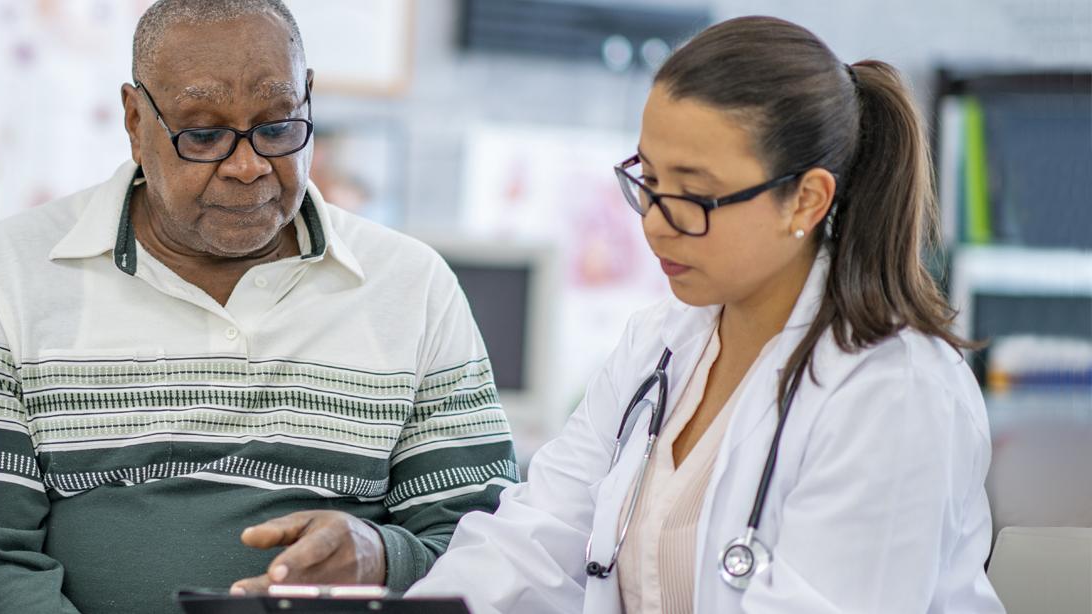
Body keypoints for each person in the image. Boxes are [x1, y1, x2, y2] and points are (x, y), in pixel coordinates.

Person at [0, 1, 518, 612]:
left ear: (309, 101)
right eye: (203, 135)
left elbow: (488, 546)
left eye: (277, 127)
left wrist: (383, 556)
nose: (247, 165)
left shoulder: (413, 286)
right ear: (135, 121)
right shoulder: (4, 274)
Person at [405, 16, 1004, 613]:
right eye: (649, 179)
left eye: (693, 195)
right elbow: (531, 542)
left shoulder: (893, 389)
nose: (655, 223)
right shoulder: (657, 344)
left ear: (805, 199)